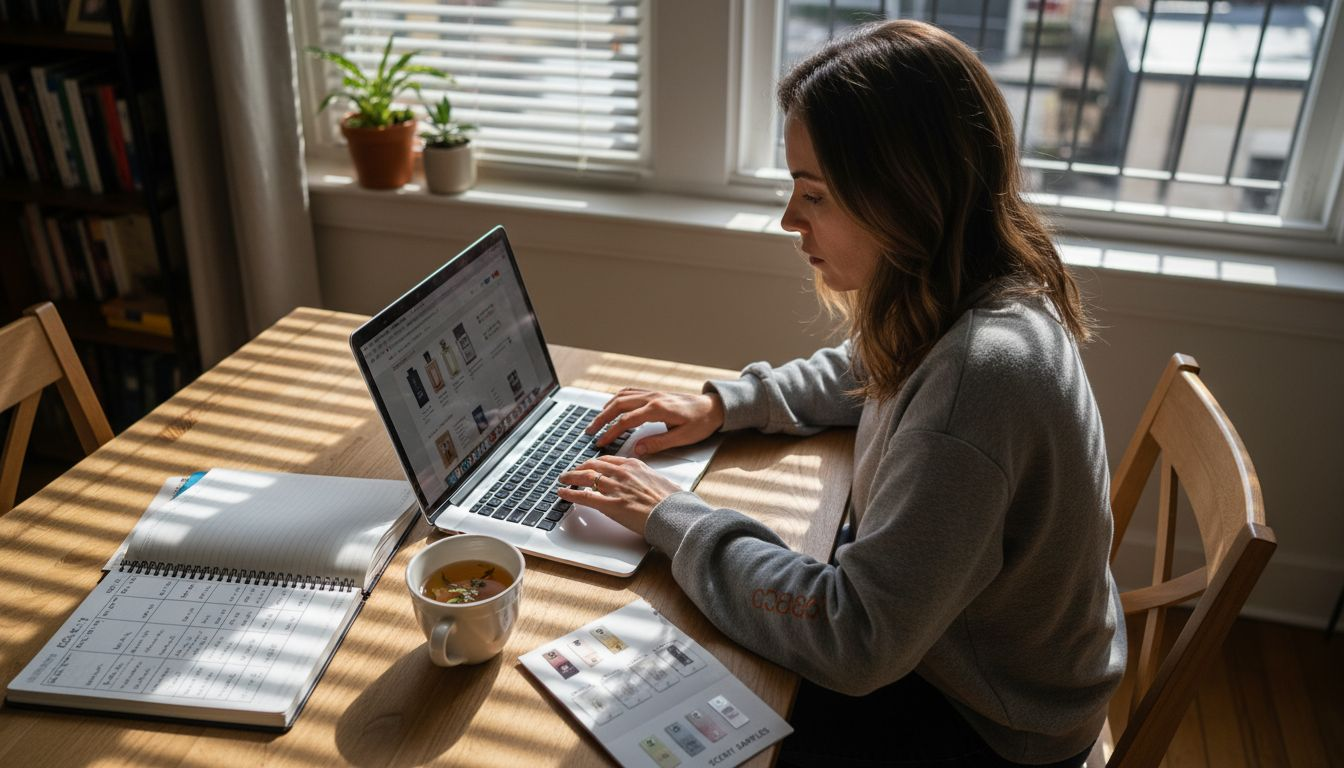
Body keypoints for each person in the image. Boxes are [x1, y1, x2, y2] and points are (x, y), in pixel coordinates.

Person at [557, 19, 1125, 767]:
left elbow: (853, 638)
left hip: (989, 726)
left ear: (902, 197)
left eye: (814, 194)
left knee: (668, 703)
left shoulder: (979, 380)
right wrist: (726, 404)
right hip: (961, 655)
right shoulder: (970, 288)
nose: (791, 220)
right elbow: (865, 370)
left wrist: (672, 517)